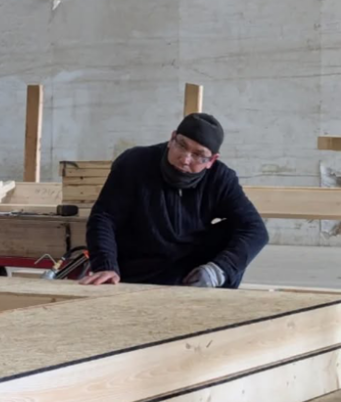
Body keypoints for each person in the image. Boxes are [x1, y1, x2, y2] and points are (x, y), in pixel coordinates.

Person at [80, 113, 268, 288]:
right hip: (137, 267)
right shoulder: (135, 163)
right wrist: (105, 265)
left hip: (188, 272)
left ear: (212, 160)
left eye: (198, 155)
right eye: (182, 146)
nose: (185, 159)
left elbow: (255, 229)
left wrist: (218, 270)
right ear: (172, 139)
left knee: (234, 231)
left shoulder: (221, 178)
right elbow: (104, 217)